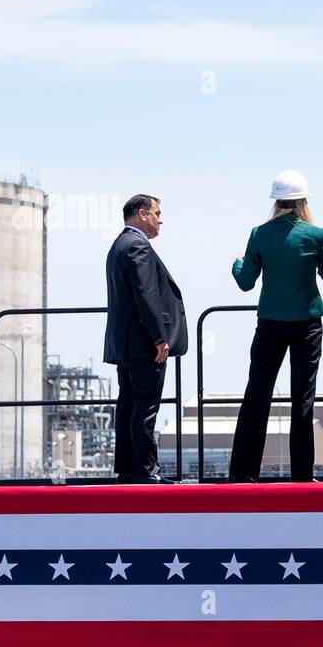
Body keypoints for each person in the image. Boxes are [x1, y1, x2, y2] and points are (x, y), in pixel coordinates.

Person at [227, 169, 323, 483]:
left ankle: (243, 473)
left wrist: (237, 262)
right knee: (302, 398)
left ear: (276, 202)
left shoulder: (259, 233)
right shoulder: (316, 235)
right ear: (303, 200)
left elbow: (246, 282)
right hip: (307, 324)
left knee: (257, 395)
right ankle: (302, 475)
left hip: (270, 324)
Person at [103, 193, 187, 483]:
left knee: (127, 405)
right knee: (145, 407)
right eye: (157, 213)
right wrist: (159, 338)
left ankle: (128, 470)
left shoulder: (118, 245)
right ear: (142, 214)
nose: (160, 219)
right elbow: (146, 294)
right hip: (143, 344)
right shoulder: (138, 246)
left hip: (124, 344)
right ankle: (147, 471)